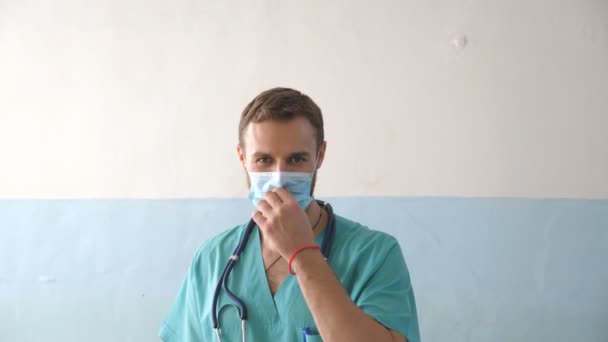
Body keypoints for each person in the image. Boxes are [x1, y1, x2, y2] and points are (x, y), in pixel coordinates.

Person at [159, 87, 420, 342]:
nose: (279, 178)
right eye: (263, 160)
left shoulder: (375, 255)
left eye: (296, 159)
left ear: (320, 156)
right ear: (242, 158)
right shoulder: (212, 258)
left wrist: (304, 254)